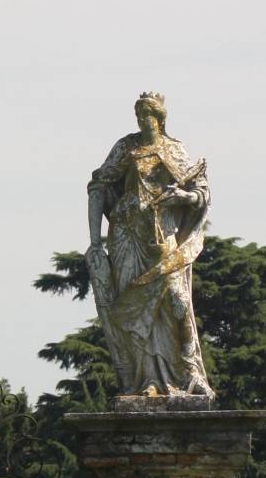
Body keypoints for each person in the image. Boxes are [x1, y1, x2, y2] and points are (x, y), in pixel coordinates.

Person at [86, 92, 212, 397]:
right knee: (133, 303)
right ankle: (148, 381)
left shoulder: (174, 149)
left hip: (163, 235)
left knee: (176, 299)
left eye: (148, 115)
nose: (143, 120)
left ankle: (189, 373)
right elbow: (99, 187)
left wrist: (183, 197)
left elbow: (201, 192)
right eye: (139, 115)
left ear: (160, 119)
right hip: (127, 236)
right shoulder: (126, 147)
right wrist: (94, 242)